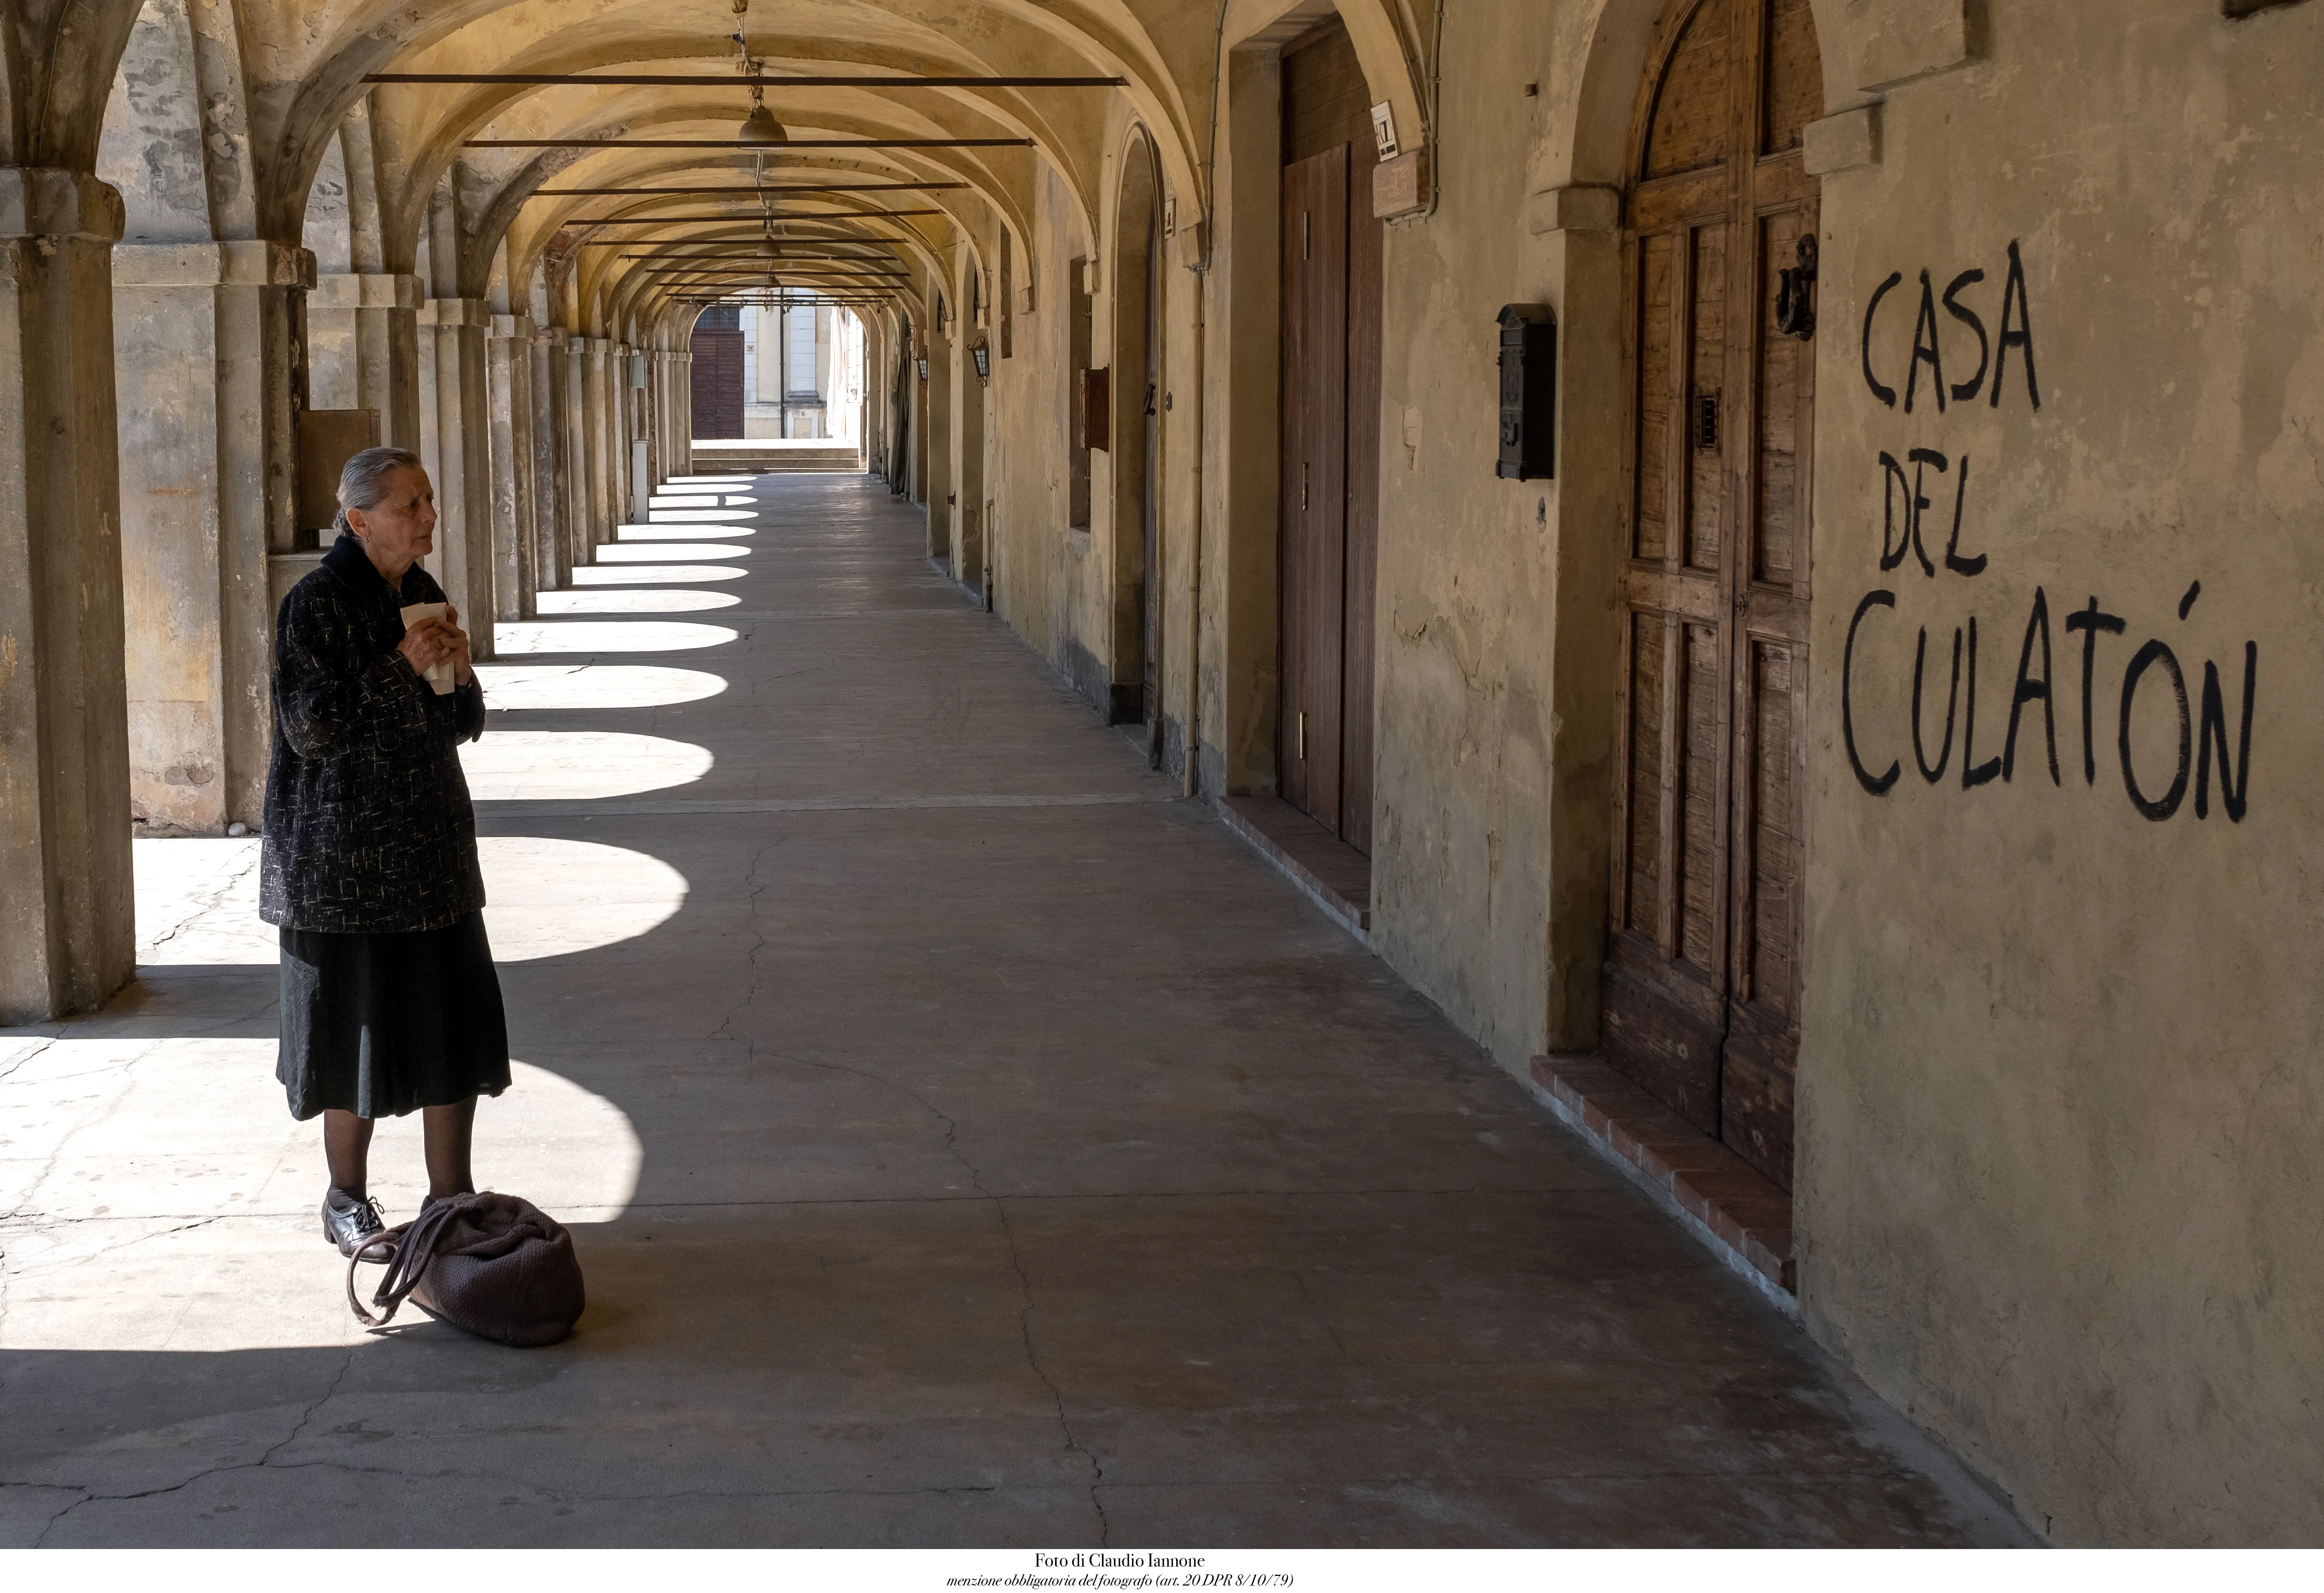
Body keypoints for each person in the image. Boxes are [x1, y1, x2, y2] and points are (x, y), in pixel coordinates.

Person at [260, 446, 511, 1259]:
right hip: (345, 865)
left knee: (450, 1024)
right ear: (359, 518)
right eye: (412, 506)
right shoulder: (315, 606)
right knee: (352, 1032)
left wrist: (462, 676)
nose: (429, 517)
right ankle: (345, 1196)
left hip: (429, 849)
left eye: (429, 501)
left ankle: (451, 1197)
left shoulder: (424, 594)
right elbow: (312, 729)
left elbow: (459, 726)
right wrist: (401, 667)